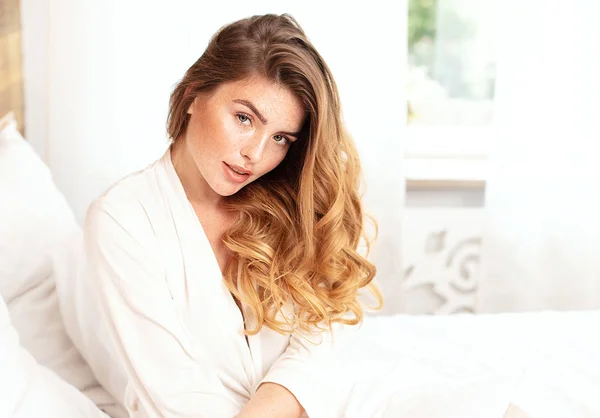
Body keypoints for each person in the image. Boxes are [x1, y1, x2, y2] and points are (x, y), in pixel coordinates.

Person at [80, 13, 382, 418]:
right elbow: (177, 393)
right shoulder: (122, 220)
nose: (255, 155)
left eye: (280, 138)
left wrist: (277, 400)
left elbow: (324, 335)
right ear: (192, 96)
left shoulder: (289, 201)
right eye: (244, 118)